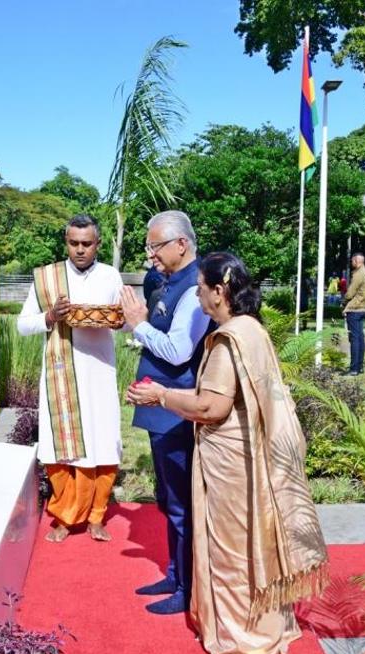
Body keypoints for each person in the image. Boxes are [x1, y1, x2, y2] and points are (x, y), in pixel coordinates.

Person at [126, 252, 328, 654]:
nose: (197, 294)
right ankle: (264, 622)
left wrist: (160, 396)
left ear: (219, 292)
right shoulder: (251, 329)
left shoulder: (227, 340)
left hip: (231, 465)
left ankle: (242, 634)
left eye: (201, 287)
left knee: (232, 549)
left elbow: (210, 408)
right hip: (248, 456)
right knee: (253, 543)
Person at [119, 210, 213, 614]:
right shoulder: (166, 281)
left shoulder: (196, 288)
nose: (150, 254)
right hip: (159, 406)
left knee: (182, 502)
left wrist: (139, 325)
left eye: (155, 246)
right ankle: (174, 573)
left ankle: (189, 588)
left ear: (181, 244)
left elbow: (178, 351)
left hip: (177, 407)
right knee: (169, 498)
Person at [17, 215, 124, 543]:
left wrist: (119, 321)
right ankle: (65, 517)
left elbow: (126, 319)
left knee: (103, 444)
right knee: (59, 450)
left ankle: (96, 516)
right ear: (66, 242)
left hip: (100, 374)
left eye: (86, 244)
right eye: (74, 243)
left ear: (98, 244)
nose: (80, 249)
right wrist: (50, 316)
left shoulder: (110, 275)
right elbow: (23, 325)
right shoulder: (47, 277)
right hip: (60, 376)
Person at [343, 252, 365, 376]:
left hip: (354, 309)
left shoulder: (358, 274)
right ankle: (359, 367)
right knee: (360, 338)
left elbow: (350, 293)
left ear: (356, 261)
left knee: (354, 339)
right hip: (362, 308)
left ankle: (354, 368)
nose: (351, 263)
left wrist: (344, 300)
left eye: (352, 261)